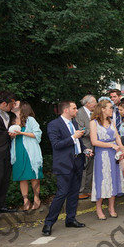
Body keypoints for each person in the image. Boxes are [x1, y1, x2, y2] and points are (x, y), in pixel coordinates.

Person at [42, 101, 88, 235]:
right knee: (62, 193)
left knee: (74, 193)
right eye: (74, 108)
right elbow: (56, 144)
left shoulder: (74, 123)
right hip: (64, 164)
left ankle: (70, 219)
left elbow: (78, 142)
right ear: (66, 110)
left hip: (78, 161)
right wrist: (73, 136)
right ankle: (48, 223)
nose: (77, 110)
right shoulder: (53, 125)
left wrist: (85, 150)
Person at [90, 100, 124, 220]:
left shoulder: (112, 121)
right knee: (102, 180)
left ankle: (111, 207)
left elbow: (117, 137)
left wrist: (122, 148)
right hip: (101, 155)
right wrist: (111, 145)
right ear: (103, 109)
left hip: (113, 154)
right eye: (110, 108)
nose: (112, 110)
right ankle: (99, 208)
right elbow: (94, 142)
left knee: (114, 179)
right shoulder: (94, 123)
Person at [10, 101, 44, 211]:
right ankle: (25, 200)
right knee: (22, 177)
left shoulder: (30, 120)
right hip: (18, 150)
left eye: (16, 103)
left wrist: (22, 133)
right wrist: (11, 135)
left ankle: (36, 198)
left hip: (30, 151)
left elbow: (37, 134)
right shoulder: (12, 121)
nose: (13, 104)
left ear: (22, 107)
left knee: (33, 176)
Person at [77, 95, 96, 200]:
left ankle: (88, 190)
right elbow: (81, 129)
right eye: (94, 102)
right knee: (84, 167)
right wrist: (94, 133)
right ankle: (80, 191)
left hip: (94, 144)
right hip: (85, 144)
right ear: (88, 103)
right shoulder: (79, 113)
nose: (96, 104)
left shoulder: (94, 113)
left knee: (91, 168)